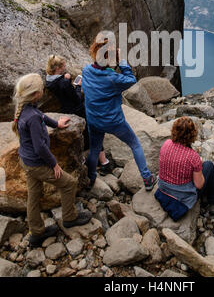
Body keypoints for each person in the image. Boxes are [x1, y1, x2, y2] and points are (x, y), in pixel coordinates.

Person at [12, 73, 92, 248]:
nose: (43, 90)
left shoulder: (27, 108)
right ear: (35, 94)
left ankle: (36, 232)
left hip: (27, 160)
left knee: (34, 195)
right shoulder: (31, 116)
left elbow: (42, 116)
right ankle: (70, 218)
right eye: (41, 89)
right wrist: (54, 164)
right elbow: (40, 147)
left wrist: (56, 124)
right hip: (37, 163)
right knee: (69, 183)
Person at [81, 36, 156, 190]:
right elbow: (131, 79)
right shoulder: (113, 78)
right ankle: (147, 178)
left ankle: (90, 178)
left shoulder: (86, 71)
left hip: (94, 120)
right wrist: (122, 61)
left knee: (95, 148)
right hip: (113, 122)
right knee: (135, 144)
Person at [45, 55, 110, 175]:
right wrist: (78, 86)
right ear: (59, 68)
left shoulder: (49, 81)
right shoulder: (64, 82)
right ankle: (104, 162)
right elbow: (77, 98)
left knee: (81, 136)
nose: (66, 67)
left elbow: (61, 87)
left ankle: (84, 160)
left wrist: (66, 79)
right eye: (63, 66)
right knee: (94, 133)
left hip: (65, 111)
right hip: (78, 110)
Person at [157, 116, 214, 216]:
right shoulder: (193, 157)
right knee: (209, 166)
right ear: (192, 135)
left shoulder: (166, 144)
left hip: (163, 187)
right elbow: (199, 185)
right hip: (181, 197)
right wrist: (198, 167)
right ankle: (213, 202)